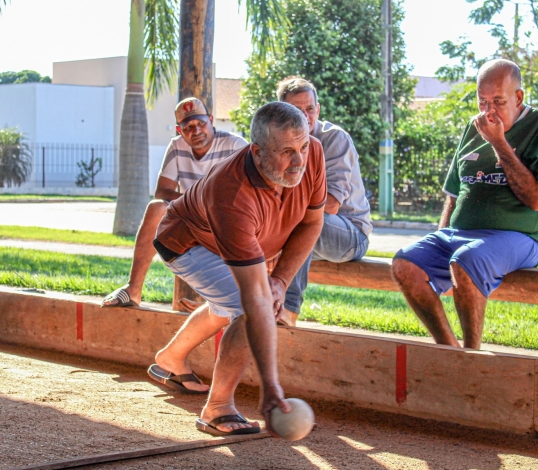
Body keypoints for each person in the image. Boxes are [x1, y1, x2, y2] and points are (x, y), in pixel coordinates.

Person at [149, 102, 326, 435]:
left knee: (232, 304)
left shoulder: (312, 153)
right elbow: (255, 299)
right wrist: (270, 385)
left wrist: (281, 280)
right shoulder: (231, 195)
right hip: (188, 243)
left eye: (303, 146)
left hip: (225, 243)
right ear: (257, 152)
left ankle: (170, 359)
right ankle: (217, 409)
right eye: (287, 151)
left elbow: (312, 222)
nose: (300, 160)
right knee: (247, 310)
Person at [391, 59, 538, 350]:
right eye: (482, 101)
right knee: (404, 263)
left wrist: (499, 143)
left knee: (465, 260)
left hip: (519, 238)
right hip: (460, 236)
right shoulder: (473, 127)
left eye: (498, 101)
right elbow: (453, 195)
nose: (488, 111)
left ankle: (471, 356)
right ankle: (450, 350)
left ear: (519, 97)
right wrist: (440, 237)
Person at [102, 97, 247, 307]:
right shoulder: (177, 146)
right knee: (156, 208)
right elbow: (162, 191)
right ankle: (133, 289)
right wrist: (198, 204)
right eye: (188, 127)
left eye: (201, 124)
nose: (196, 131)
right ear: (180, 130)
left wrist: (210, 207)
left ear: (211, 120)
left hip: (227, 222)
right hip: (194, 219)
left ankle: (217, 305)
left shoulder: (235, 145)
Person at [276, 77, 372, 326]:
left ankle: (288, 309)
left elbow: (331, 205)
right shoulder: (276, 142)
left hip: (350, 235)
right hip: (309, 236)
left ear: (317, 110)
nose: (305, 116)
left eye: (310, 109)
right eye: (297, 110)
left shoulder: (333, 139)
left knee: (302, 218)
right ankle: (230, 302)